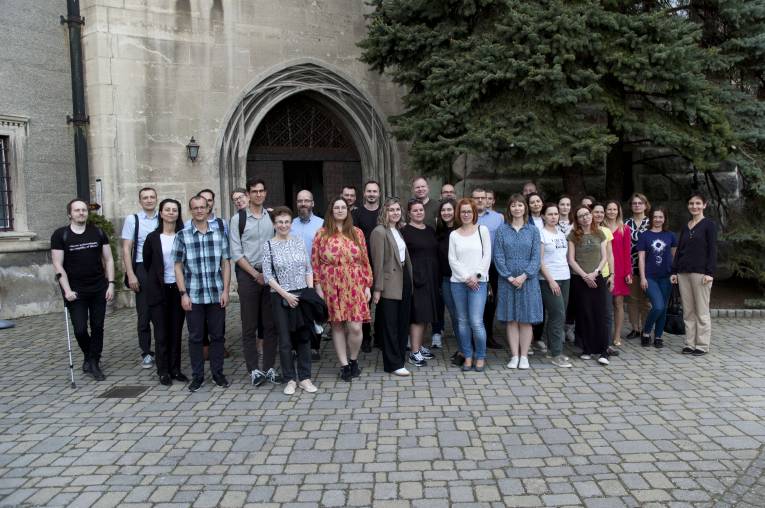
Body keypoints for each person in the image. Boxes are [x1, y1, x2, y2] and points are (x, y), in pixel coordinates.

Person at [51, 199, 115, 381]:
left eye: (84, 210)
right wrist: (67, 290)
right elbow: (57, 264)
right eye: (77, 210)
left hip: (98, 288)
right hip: (75, 291)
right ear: (69, 214)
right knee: (79, 329)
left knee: (97, 327)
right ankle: (89, 354)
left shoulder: (98, 233)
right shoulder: (60, 235)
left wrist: (111, 283)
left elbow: (109, 259)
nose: (81, 213)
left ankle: (94, 361)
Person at [312, 197, 373, 381]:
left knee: (355, 326)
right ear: (331, 211)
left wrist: (367, 284)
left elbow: (364, 261)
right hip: (331, 284)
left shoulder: (357, 233)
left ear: (348, 211)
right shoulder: (321, 234)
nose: (340, 210)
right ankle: (344, 365)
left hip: (354, 284)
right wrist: (317, 285)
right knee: (337, 325)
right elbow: (314, 262)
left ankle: (353, 360)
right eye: (336, 207)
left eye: (343, 207)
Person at [174, 195, 231, 392]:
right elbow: (178, 266)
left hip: (216, 294)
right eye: (195, 208)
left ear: (208, 209)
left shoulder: (219, 233)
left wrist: (226, 290)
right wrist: (183, 294)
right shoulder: (182, 235)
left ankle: (218, 374)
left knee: (217, 337)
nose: (199, 210)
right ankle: (197, 376)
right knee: (195, 337)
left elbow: (225, 263)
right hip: (194, 295)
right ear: (191, 210)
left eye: (202, 207)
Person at [262, 207, 319, 395]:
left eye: (287, 222)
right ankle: (289, 379)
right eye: (280, 222)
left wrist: (309, 293)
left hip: (302, 296)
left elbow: (308, 269)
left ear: (290, 223)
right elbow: (268, 276)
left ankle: (305, 378)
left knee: (304, 338)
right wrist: (286, 295)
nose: (283, 225)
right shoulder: (268, 245)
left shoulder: (299, 242)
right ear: (274, 224)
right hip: (280, 297)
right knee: (285, 340)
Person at [229, 179, 280, 387]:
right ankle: (254, 369)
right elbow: (236, 252)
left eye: (261, 191)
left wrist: (267, 275)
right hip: (248, 275)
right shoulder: (238, 219)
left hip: (270, 276)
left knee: (270, 325)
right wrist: (254, 274)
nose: (258, 194)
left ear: (265, 193)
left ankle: (269, 367)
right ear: (248, 195)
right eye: (254, 191)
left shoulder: (272, 217)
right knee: (249, 325)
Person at [494, 194, 543, 370]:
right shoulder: (502, 230)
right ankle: (514, 355)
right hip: (507, 281)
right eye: (513, 205)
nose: (517, 208)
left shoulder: (533, 230)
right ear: (509, 209)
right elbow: (498, 256)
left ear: (525, 208)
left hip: (528, 281)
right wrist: (508, 276)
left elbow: (536, 257)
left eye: (520, 205)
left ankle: (524, 356)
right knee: (511, 319)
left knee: (525, 319)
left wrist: (524, 276)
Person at [142, 198, 188, 386]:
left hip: (178, 289)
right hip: (159, 291)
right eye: (167, 210)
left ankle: (175, 368)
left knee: (176, 331)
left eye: (174, 210)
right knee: (161, 333)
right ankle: (163, 370)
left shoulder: (184, 235)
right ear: (161, 213)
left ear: (178, 214)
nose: (171, 213)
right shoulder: (152, 238)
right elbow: (147, 262)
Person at [370, 198, 413, 377]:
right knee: (390, 326)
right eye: (391, 210)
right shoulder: (379, 232)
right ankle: (392, 363)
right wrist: (378, 289)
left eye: (397, 210)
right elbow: (377, 263)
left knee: (403, 323)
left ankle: (399, 359)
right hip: (388, 284)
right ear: (384, 212)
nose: (395, 213)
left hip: (403, 280)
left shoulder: (397, 230)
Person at [448, 198, 492, 371]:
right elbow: (452, 259)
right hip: (458, 283)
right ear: (459, 214)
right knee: (462, 322)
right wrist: (467, 277)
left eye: (469, 211)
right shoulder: (454, 234)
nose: (466, 214)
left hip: (479, 283)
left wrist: (477, 275)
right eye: (463, 211)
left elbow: (487, 255)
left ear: (474, 213)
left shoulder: (483, 230)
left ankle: (480, 356)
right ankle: (467, 355)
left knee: (476, 321)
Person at [671, 193, 717, 356]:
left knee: (701, 311)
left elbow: (712, 250)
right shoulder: (686, 226)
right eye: (691, 203)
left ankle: (702, 345)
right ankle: (689, 343)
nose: (694, 206)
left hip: (701, 273)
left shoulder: (709, 225)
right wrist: (674, 271)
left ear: (704, 205)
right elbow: (679, 251)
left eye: (698, 203)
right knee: (688, 311)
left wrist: (710, 272)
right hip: (683, 273)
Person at [567, 205, 611, 365]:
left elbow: (604, 257)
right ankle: (586, 348)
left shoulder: (600, 233)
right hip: (580, 279)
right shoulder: (573, 235)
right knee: (584, 314)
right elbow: (571, 259)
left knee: (600, 313)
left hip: (597, 278)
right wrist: (584, 275)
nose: (585, 217)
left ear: (591, 216)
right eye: (581, 216)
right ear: (577, 220)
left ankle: (604, 350)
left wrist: (596, 272)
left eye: (587, 214)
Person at [121, 187, 159, 370]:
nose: (149, 200)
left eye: (152, 197)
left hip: (160, 268)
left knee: (161, 311)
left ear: (156, 199)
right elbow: (127, 249)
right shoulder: (133, 220)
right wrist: (130, 274)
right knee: (144, 313)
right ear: (140, 201)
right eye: (145, 198)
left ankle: (163, 349)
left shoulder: (164, 216)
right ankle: (146, 352)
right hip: (142, 267)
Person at [401, 199, 440, 367]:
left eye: (421, 210)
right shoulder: (405, 231)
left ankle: (419, 346)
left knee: (427, 315)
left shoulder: (430, 230)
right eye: (415, 210)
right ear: (409, 213)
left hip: (431, 277)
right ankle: (414, 352)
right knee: (418, 316)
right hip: (416, 278)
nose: (418, 212)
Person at [291, 189, 325, 359]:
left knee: (314, 310)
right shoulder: (289, 224)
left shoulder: (322, 224)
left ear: (312, 203)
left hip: (316, 275)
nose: (303, 204)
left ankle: (315, 347)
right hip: (295, 276)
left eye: (306, 200)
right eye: (300, 201)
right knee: (297, 312)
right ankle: (298, 346)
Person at [538, 203, 572, 368]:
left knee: (560, 314)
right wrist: (550, 280)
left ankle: (553, 348)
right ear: (543, 216)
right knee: (557, 314)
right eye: (550, 214)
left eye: (556, 214)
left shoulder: (561, 233)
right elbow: (540, 261)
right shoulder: (541, 234)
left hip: (565, 277)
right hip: (549, 279)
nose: (553, 217)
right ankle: (556, 354)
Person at [638, 207, 677, 349]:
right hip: (650, 277)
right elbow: (641, 259)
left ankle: (659, 336)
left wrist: (674, 273)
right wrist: (642, 278)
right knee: (658, 306)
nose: (658, 219)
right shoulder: (645, 236)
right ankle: (647, 331)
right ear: (651, 218)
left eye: (661, 217)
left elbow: (674, 256)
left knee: (664, 308)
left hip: (666, 277)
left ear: (665, 218)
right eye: (655, 217)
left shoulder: (671, 235)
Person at [472, 187, 505, 349]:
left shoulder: (498, 218)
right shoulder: (467, 216)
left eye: (483, 198)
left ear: (488, 200)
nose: (480, 200)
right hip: (472, 266)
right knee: (473, 301)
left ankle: (489, 336)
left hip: (492, 266)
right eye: (476, 198)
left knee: (491, 302)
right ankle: (474, 337)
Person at [352, 180, 382, 353]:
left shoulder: (383, 213)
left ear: (379, 193)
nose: (372, 194)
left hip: (382, 263)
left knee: (383, 303)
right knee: (365, 303)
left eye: (375, 191)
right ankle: (365, 338)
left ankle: (380, 336)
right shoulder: (357, 214)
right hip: (363, 265)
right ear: (364, 194)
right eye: (369, 191)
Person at [436, 199, 462, 365]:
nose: (446, 213)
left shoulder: (462, 231)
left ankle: (467, 350)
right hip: (446, 280)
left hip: (461, 280)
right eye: (443, 210)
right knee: (454, 316)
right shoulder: (439, 233)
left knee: (463, 317)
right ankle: (462, 349)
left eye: (449, 210)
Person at [604, 200, 632, 346]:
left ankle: (617, 335)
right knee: (604, 303)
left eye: (615, 209)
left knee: (618, 302)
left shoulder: (624, 228)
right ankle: (604, 334)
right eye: (609, 209)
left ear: (618, 211)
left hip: (620, 269)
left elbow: (627, 252)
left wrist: (628, 272)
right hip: (603, 268)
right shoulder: (600, 227)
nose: (612, 212)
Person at [591, 203, 618, 356]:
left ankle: (606, 344)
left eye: (602, 212)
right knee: (592, 311)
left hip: (605, 275)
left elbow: (610, 255)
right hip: (588, 276)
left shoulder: (606, 231)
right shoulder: (584, 230)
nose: (600, 215)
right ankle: (591, 343)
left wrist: (612, 275)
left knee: (606, 312)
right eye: (596, 212)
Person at [625, 193, 651, 339]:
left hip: (648, 268)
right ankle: (635, 328)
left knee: (646, 300)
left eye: (640, 203)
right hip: (631, 266)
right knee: (633, 299)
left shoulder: (652, 222)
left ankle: (646, 329)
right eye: (634, 203)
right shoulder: (626, 224)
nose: (637, 206)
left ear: (646, 205)